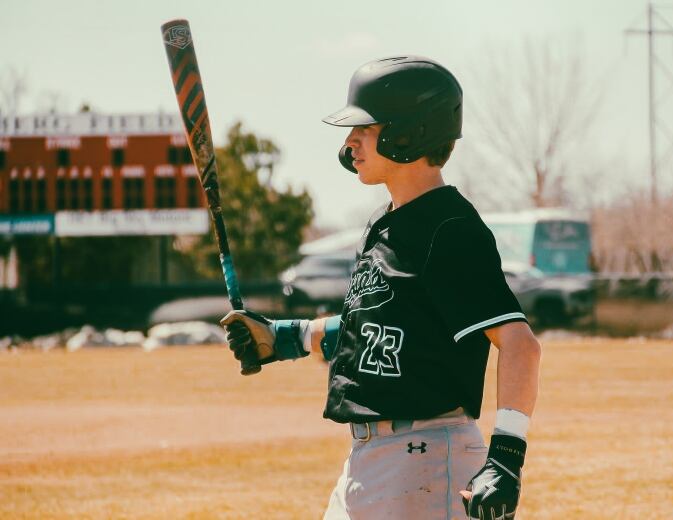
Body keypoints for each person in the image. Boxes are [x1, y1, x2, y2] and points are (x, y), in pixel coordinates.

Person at [221, 56, 542, 520]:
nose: (349, 142)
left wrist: (506, 459)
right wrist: (287, 337)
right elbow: (383, 327)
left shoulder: (449, 230)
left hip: (426, 459)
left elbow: (520, 345)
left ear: (407, 134)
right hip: (372, 461)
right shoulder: (384, 223)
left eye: (364, 129)